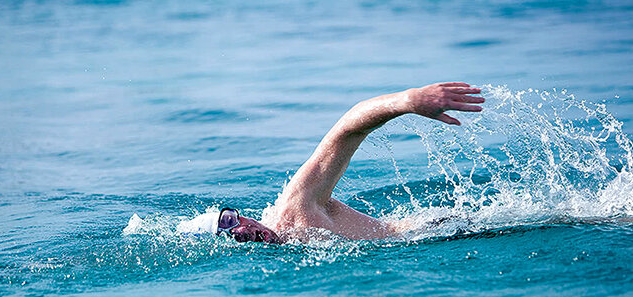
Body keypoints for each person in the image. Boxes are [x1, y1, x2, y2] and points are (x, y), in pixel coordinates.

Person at [176, 82, 485, 243]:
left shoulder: (295, 209)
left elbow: (348, 129)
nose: (240, 231)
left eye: (231, 219)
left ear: (241, 215)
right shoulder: (283, 259)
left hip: (436, 231)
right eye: (228, 233)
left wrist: (409, 101)